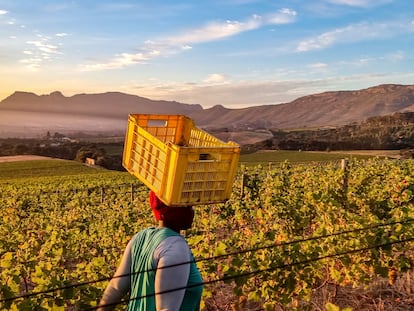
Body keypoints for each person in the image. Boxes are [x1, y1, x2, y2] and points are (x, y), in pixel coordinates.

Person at [97, 191, 203, 311]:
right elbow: (166, 309)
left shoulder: (140, 237)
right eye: (188, 206)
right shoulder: (175, 246)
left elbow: (115, 288)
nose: (193, 211)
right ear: (177, 210)